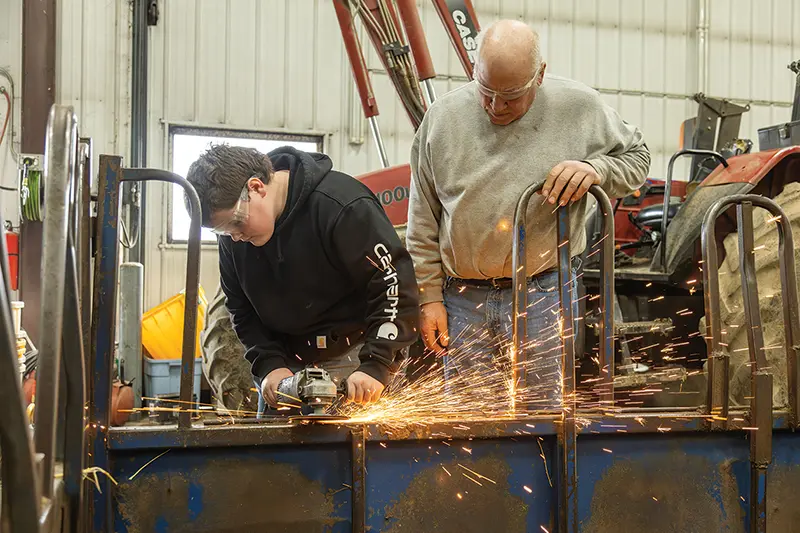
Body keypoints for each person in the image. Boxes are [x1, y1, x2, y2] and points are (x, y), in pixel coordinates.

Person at [406, 20, 650, 408]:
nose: (495, 106)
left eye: (511, 96)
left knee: (542, 416)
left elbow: (638, 158)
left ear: (540, 75)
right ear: (474, 69)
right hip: (464, 298)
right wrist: (429, 298)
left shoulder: (579, 107)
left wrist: (596, 169)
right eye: (486, 91)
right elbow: (422, 219)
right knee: (470, 420)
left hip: (544, 293)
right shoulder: (442, 119)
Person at [186, 145, 419, 413]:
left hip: (356, 354)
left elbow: (393, 284)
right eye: (224, 231)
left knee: (356, 439)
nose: (235, 237)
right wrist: (269, 364)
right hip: (285, 364)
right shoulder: (234, 238)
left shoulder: (342, 205)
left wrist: (377, 363)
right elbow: (241, 309)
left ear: (256, 187)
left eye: (237, 223)